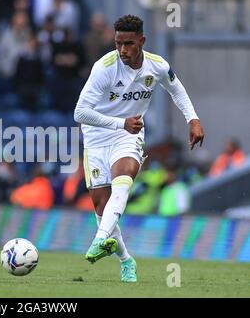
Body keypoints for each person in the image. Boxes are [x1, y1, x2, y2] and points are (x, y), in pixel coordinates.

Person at [73, 15, 205, 282]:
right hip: (98, 135)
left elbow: (176, 89)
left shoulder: (157, 66)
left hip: (129, 135)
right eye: (118, 43)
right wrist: (120, 122)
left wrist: (193, 119)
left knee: (123, 182)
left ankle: (99, 241)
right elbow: (80, 113)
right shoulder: (104, 67)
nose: (122, 50)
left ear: (142, 41)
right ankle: (126, 260)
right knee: (102, 207)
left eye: (129, 44)